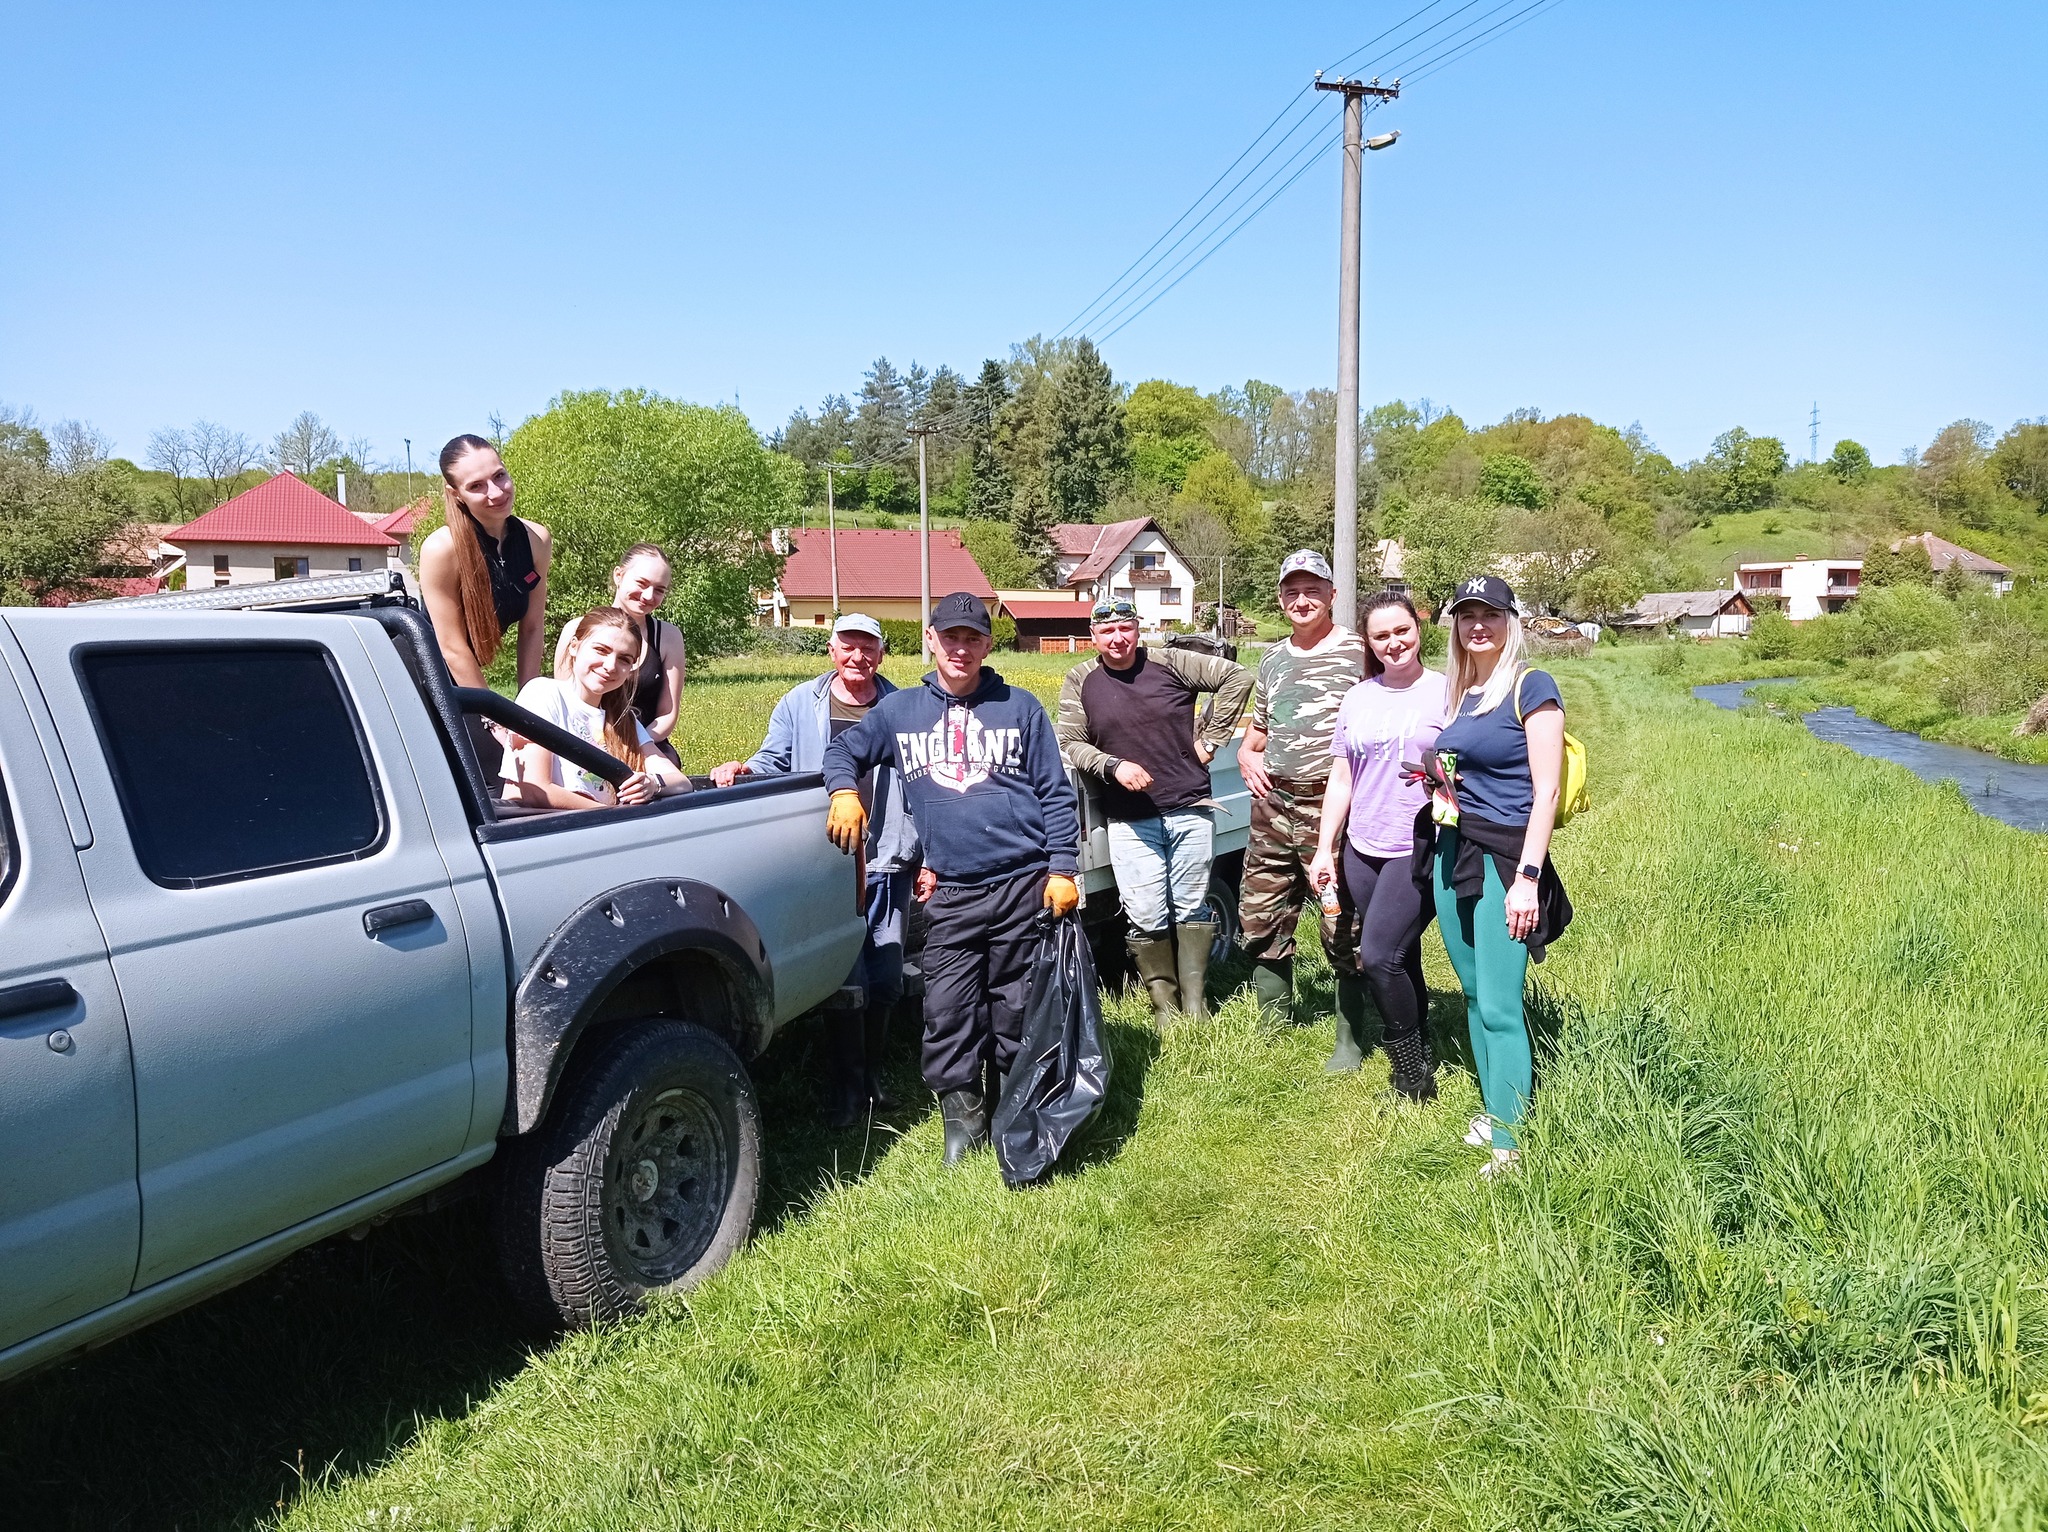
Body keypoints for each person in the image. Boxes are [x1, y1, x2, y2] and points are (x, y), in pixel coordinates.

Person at [821, 592, 1082, 1167]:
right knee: (947, 1007)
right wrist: (843, 791)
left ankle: (1017, 1109)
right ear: (931, 641)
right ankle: (962, 1118)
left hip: (1022, 882)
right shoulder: (899, 712)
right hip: (952, 891)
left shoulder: (1021, 708)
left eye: (973, 638)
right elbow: (842, 751)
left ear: (989, 644)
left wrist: (1064, 868)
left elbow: (1057, 795)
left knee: (1015, 1004)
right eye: (951, 637)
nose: (961, 648)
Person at [709, 613, 921, 1127]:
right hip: (828, 863)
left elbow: (924, 787)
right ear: (832, 650)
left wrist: (925, 856)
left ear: (882, 653)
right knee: (844, 979)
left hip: (888, 858)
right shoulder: (799, 704)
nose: (858, 657)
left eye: (868, 648)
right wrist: (742, 769)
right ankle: (846, 1091)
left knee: (886, 976)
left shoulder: (904, 707)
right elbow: (772, 761)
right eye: (848, 646)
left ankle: (872, 1081)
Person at [1424, 574, 1570, 1181]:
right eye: (1466, 615)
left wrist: (1528, 879)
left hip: (1505, 860)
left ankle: (1509, 1145)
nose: (1476, 624)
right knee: (1474, 995)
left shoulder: (1532, 688)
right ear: (1455, 624)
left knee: (1503, 1005)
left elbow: (1547, 790)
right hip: (1452, 853)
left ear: (1512, 622)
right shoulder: (1464, 692)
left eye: (1489, 614)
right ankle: (1494, 1107)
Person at [1055, 597, 1253, 1024]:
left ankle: (1196, 1004)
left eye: (1124, 628)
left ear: (1137, 629)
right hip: (1129, 817)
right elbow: (1070, 741)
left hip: (1189, 806)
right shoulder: (1081, 679)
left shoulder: (1170, 662)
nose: (1117, 638)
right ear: (1094, 636)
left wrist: (1212, 740)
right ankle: (1165, 1008)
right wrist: (1113, 765)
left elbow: (1237, 676)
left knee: (1191, 906)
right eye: (1106, 631)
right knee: (1145, 912)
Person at [1307, 591, 1449, 1094]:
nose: (1394, 643)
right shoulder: (1358, 696)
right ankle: (1423, 1039)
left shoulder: (1448, 692)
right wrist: (1326, 847)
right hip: (1362, 845)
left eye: (1402, 631)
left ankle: (1411, 1070)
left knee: (1378, 953)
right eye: (1381, 635)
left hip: (1420, 842)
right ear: (1368, 642)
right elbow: (1342, 776)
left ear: (1418, 630)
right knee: (1402, 955)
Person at [1236, 550, 1368, 1029]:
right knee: (1261, 909)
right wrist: (1246, 755)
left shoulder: (1360, 652)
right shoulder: (1271, 659)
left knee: (1341, 915)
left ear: (1332, 595)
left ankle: (1350, 1034)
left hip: (1332, 803)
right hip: (1273, 804)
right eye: (1292, 591)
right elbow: (1260, 732)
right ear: (1280, 599)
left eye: (1313, 590)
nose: (1302, 599)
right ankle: (1274, 1024)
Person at [419, 434, 552, 778]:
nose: (495, 492)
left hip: (469, 680)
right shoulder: (441, 549)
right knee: (496, 769)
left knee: (543, 757)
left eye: (499, 476)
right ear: (455, 494)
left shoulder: (536, 539)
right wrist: (498, 718)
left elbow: (533, 627)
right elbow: (450, 648)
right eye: (476, 486)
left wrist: (528, 707)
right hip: (422, 679)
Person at [501, 607, 689, 810]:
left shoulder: (622, 721)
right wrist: (614, 816)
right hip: (538, 831)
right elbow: (537, 791)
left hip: (600, 833)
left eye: (624, 659)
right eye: (601, 650)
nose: (610, 666)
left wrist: (652, 784)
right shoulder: (543, 694)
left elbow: (681, 783)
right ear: (574, 647)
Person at [554, 543, 685, 766]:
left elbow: (667, 716)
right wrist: (602, 746)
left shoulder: (669, 637)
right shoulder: (576, 629)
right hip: (583, 742)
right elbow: (564, 702)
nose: (648, 595)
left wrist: (634, 744)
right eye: (641, 583)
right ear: (619, 575)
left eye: (659, 590)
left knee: (672, 781)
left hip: (645, 742)